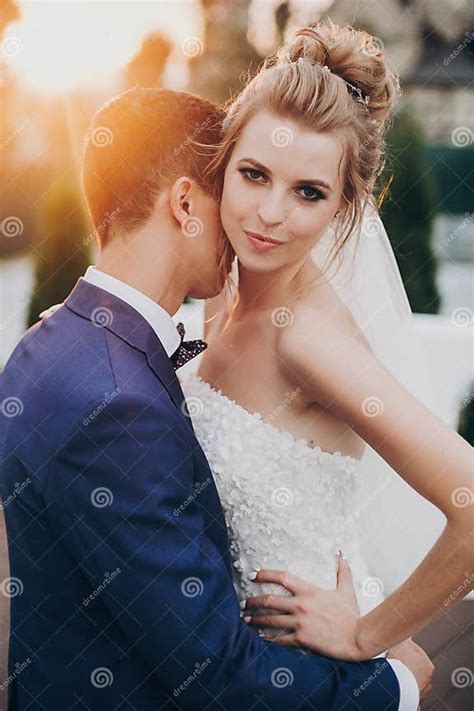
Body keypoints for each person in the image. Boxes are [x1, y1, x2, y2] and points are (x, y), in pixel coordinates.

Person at [0, 86, 425, 710]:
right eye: (240, 184)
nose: (250, 219)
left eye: (305, 191)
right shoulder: (117, 404)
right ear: (184, 202)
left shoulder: (43, 346)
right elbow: (214, 671)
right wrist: (397, 684)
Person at [181, 18, 472, 704]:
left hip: (308, 673)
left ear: (345, 207)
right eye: (254, 175)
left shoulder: (309, 340)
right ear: (224, 166)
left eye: (309, 192)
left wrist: (368, 636)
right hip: (221, 658)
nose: (269, 215)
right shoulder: (228, 292)